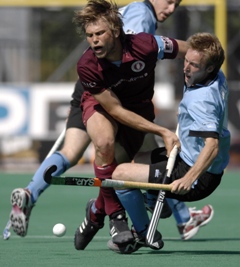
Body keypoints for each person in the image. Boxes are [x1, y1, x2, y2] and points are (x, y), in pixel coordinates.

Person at [71, 0, 189, 254]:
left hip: (139, 108)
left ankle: (95, 211)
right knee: (103, 143)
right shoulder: (87, 64)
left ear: (114, 30)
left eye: (100, 33)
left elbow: (188, 50)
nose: (94, 41)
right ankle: (117, 219)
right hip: (105, 105)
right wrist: (162, 131)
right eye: (90, 35)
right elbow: (114, 110)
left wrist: (209, 66)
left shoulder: (145, 44)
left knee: (117, 169)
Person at [108, 32, 231, 253]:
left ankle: (143, 232)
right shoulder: (215, 75)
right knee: (153, 155)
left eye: (194, 65)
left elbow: (211, 146)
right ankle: (156, 200)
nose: (186, 68)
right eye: (186, 60)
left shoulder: (201, 101)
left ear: (209, 68)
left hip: (197, 176)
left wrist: (188, 178)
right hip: (197, 162)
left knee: (120, 175)